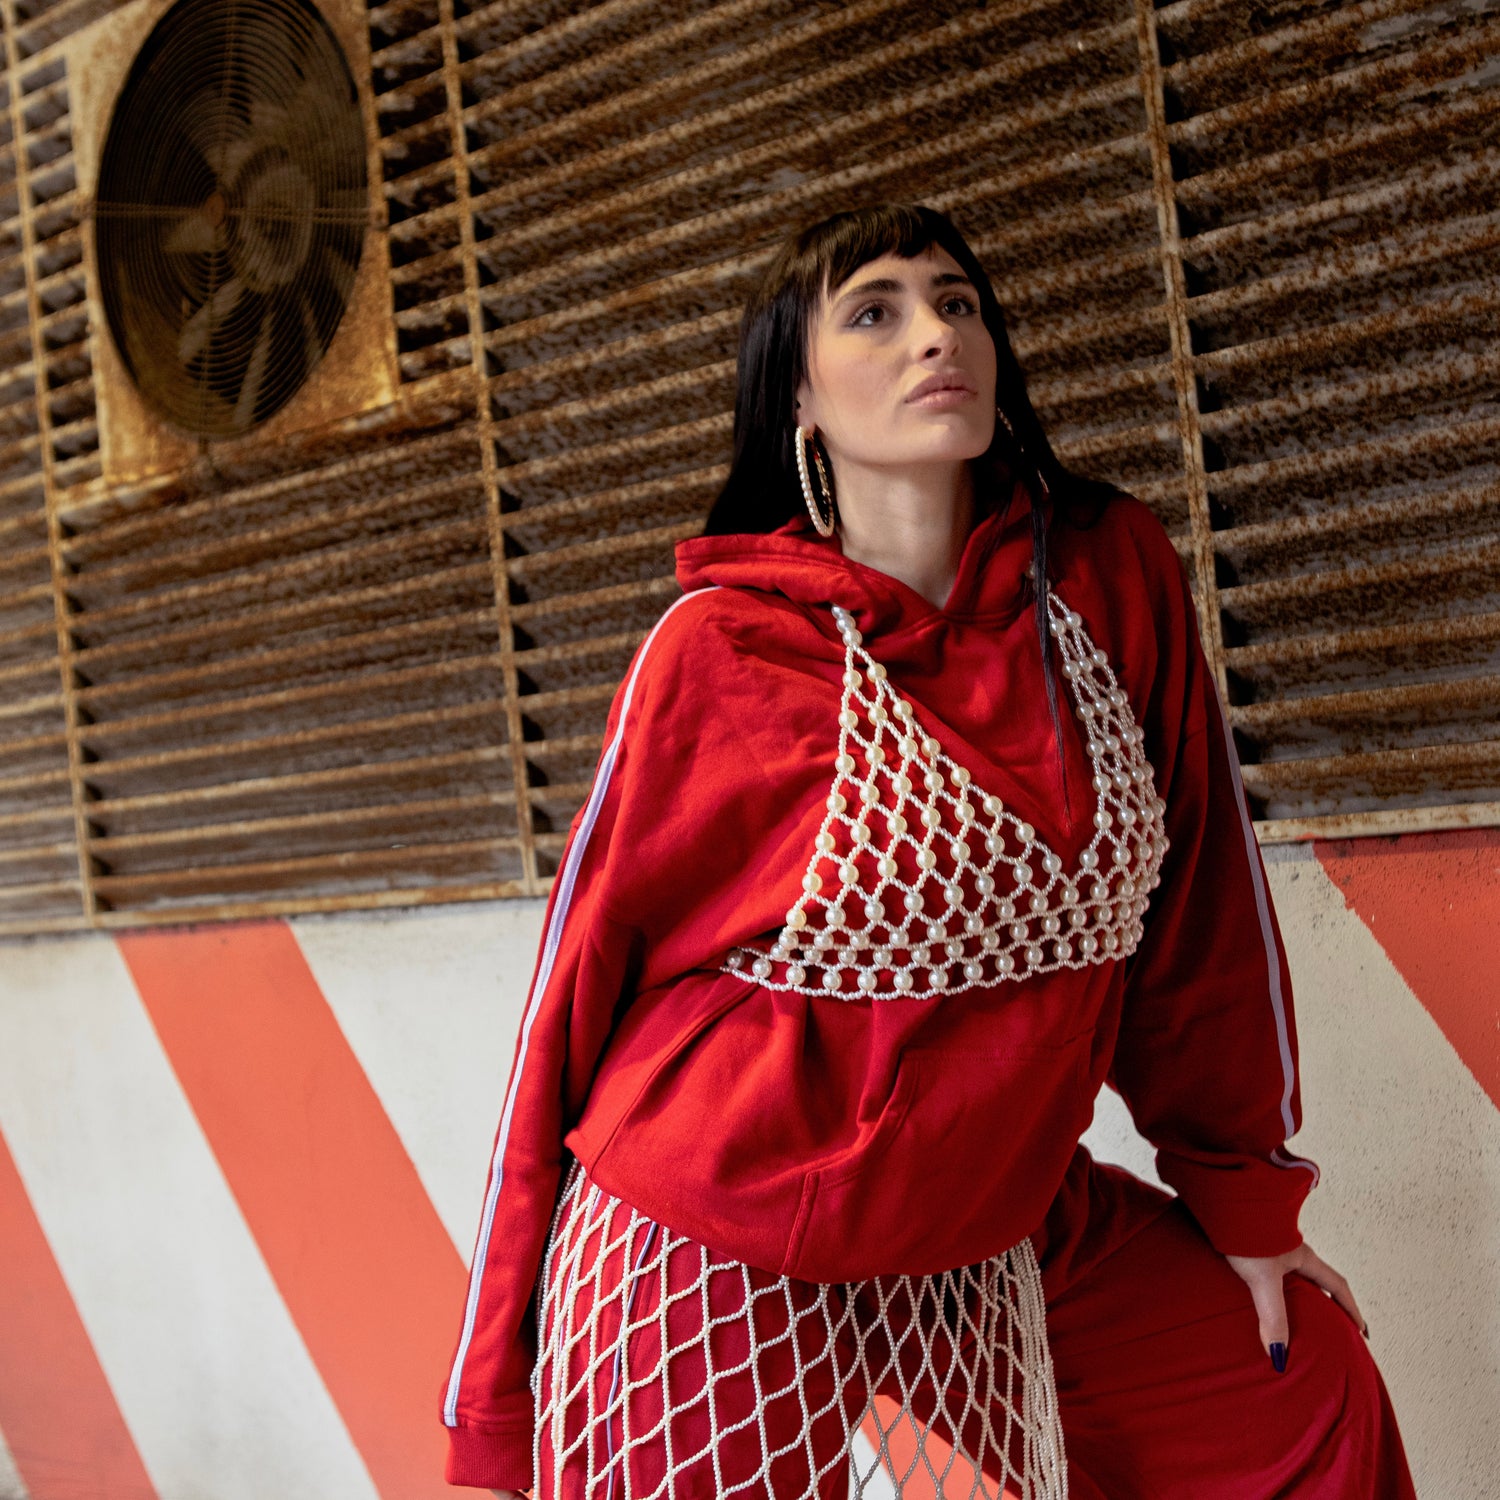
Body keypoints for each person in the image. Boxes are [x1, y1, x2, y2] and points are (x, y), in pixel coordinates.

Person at [440, 203, 1416, 1499]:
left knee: (1304, 1387)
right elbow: (572, 998)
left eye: (958, 303)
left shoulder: (1107, 576)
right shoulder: (719, 653)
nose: (935, 335)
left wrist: (1247, 1206)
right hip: (720, 1243)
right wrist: (493, 1395)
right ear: (798, 399)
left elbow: (1203, 919)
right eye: (875, 312)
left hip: (991, 1228)